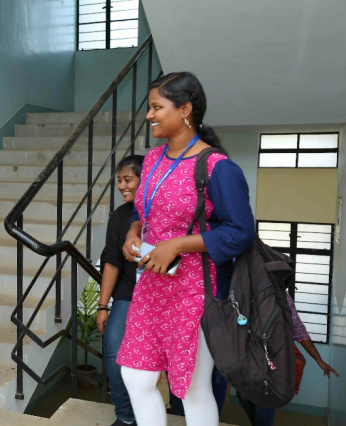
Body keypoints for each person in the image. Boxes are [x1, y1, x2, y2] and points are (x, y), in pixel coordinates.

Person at [116, 72, 255, 426]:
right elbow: (141, 211)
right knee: (135, 376)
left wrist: (177, 244)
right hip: (151, 287)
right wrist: (133, 232)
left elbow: (240, 232)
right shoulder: (152, 159)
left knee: (192, 389)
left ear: (185, 110)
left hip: (195, 293)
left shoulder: (217, 167)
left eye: (157, 107)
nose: (149, 115)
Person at [236, 293, 339, 425]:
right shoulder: (241, 291)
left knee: (263, 404)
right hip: (245, 361)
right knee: (244, 397)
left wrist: (319, 360)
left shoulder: (281, 296)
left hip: (269, 363)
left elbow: (299, 331)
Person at [96, 155, 144, 426]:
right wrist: (103, 306)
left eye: (128, 180)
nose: (122, 186)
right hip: (127, 294)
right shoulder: (119, 217)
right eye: (119, 181)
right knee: (114, 349)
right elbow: (112, 262)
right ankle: (126, 416)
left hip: (162, 296)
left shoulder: (161, 212)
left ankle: (176, 412)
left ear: (144, 180)